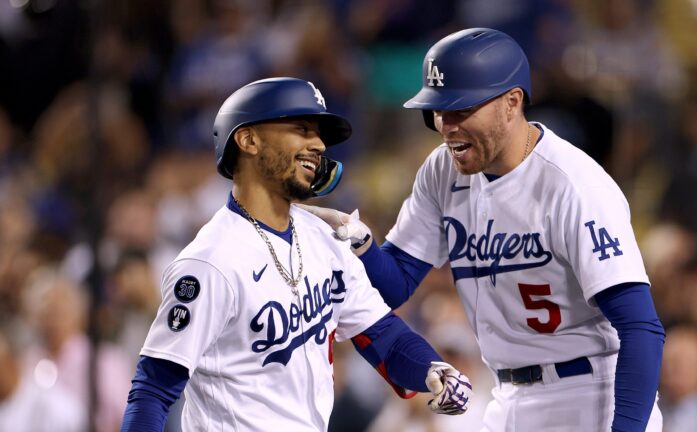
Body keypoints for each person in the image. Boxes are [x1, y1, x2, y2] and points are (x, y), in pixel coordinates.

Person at [302, 28, 666, 431]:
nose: (446, 125)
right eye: (437, 111)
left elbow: (640, 327)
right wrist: (360, 242)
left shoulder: (573, 184)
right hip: (505, 396)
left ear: (511, 103)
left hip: (590, 393)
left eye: (460, 110)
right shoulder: (442, 171)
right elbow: (395, 284)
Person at [119, 77, 472, 431]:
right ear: (248, 139)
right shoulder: (210, 262)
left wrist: (431, 369)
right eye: (301, 128)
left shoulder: (323, 238)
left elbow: (384, 336)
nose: (318, 143)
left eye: (317, 133)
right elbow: (153, 389)